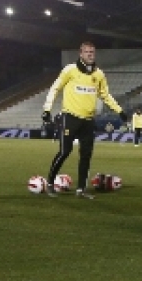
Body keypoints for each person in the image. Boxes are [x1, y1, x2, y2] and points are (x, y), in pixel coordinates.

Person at [42, 42, 126, 199]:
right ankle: (50, 183)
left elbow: (105, 95)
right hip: (70, 117)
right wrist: (47, 109)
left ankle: (81, 189)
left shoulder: (99, 74)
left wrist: (119, 110)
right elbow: (55, 88)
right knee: (64, 151)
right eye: (86, 52)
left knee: (86, 155)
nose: (90, 54)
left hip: (88, 121)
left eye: (92, 52)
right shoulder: (70, 70)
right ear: (80, 54)